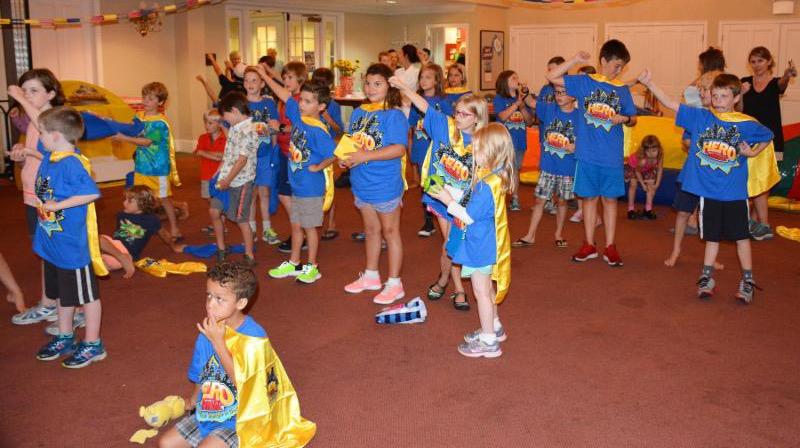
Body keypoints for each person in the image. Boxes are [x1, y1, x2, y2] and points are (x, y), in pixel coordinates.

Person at [640, 71, 773, 304]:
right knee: (711, 237)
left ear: (735, 98)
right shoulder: (700, 117)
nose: (719, 101)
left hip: (734, 193)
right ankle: (706, 276)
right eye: (715, 95)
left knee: (741, 237)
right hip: (708, 193)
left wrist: (752, 152)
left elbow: (767, 135)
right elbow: (670, 103)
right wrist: (650, 83)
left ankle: (748, 280)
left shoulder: (745, 123)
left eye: (724, 96)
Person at [391, 75, 488, 311]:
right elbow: (424, 106)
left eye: (465, 114)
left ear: (477, 118)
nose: (458, 117)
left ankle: (443, 279)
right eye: (458, 112)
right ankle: (459, 289)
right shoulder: (445, 126)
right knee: (450, 243)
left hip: (465, 202)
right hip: (441, 197)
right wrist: (404, 87)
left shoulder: (483, 142)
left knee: (455, 244)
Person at [547, 40, 639, 266]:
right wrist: (575, 60)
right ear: (603, 61)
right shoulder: (585, 82)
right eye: (616, 65)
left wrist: (625, 118)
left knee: (609, 200)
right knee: (588, 199)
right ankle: (589, 244)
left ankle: (610, 246)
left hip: (611, 156)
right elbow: (552, 76)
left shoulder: (622, 90)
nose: (619, 70)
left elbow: (633, 118)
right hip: (587, 154)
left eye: (622, 67)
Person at [157, 262, 265, 448]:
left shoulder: (254, 336)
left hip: (242, 417)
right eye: (209, 295)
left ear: (241, 303)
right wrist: (193, 400)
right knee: (166, 444)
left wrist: (218, 342)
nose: (210, 304)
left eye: (219, 299)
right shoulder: (207, 332)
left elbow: (246, 385)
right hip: (211, 410)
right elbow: (202, 373)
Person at [31, 106, 107, 368]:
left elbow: (92, 192)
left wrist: (59, 205)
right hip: (54, 243)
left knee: (87, 296)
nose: (39, 137)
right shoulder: (51, 156)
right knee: (62, 295)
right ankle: (65, 336)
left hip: (73, 248)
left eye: (41, 132)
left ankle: (93, 343)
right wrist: (26, 152)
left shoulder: (71, 163)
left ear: (55, 136)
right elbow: (40, 146)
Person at [428, 122, 513, 358]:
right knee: (486, 288)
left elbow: (467, 215)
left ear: (491, 151)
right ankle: (494, 326)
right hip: (485, 241)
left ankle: (489, 341)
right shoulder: (492, 176)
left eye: (477, 149)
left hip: (479, 244)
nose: (472, 153)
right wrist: (450, 192)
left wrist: (446, 200)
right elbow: (471, 199)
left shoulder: (486, 184)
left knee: (481, 292)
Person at [260, 69, 336, 284]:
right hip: (297, 186)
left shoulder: (318, 130)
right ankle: (294, 263)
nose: (301, 104)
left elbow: (335, 153)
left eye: (308, 101)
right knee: (296, 226)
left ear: (321, 107)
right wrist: (265, 76)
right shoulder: (299, 119)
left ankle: (312, 266)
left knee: (310, 229)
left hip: (311, 188)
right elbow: (285, 95)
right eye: (301, 99)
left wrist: (318, 167)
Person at [341, 63, 408, 305]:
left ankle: (395, 283)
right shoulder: (359, 112)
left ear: (389, 86)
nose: (371, 88)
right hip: (362, 182)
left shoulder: (394, 115)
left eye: (377, 83)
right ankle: (371, 276)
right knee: (370, 230)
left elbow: (399, 149)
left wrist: (365, 156)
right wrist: (345, 158)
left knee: (390, 232)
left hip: (384, 184)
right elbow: (351, 141)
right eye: (368, 83)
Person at [6, 68, 63, 326]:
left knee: (56, 253)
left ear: (50, 94)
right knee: (44, 252)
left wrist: (21, 99)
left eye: (33, 91)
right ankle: (49, 303)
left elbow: (57, 153)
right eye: (25, 91)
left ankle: (68, 307)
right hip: (32, 196)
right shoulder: (32, 120)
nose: (27, 95)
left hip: (48, 199)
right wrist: (22, 152)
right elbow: (33, 158)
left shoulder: (55, 118)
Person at [113, 82, 182, 242]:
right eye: (144, 97)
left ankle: (175, 228)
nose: (145, 101)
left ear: (160, 102)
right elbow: (130, 129)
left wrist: (123, 138)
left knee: (163, 199)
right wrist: (111, 126)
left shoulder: (160, 123)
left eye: (150, 98)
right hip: (142, 166)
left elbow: (146, 142)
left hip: (158, 168)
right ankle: (136, 230)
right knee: (140, 199)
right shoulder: (139, 116)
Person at [741, 47, 797, 241]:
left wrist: (787, 75)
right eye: (753, 61)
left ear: (769, 62)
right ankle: (755, 221)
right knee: (753, 180)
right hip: (750, 139)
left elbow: (781, 84)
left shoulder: (775, 83)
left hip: (770, 140)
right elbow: (739, 109)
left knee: (763, 181)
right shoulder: (745, 82)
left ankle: (760, 223)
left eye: (761, 61)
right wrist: (741, 94)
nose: (757, 65)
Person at [513, 83, 578, 248]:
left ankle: (558, 234)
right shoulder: (549, 109)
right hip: (548, 166)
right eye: (557, 92)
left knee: (562, 202)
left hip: (567, 168)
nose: (559, 96)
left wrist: (576, 146)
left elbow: (586, 140)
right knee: (540, 201)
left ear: (573, 96)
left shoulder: (579, 117)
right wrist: (525, 91)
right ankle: (530, 235)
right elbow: (531, 102)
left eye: (563, 92)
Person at [211, 92, 259, 266]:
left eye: (225, 116)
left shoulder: (250, 130)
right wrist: (218, 172)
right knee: (214, 211)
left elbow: (241, 160)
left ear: (234, 111)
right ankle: (221, 248)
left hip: (240, 183)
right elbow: (228, 155)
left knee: (241, 219)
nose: (225, 120)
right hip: (226, 179)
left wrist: (228, 180)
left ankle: (249, 255)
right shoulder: (234, 128)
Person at [407, 63, 453, 237]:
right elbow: (412, 128)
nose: (423, 80)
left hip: (438, 151)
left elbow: (450, 126)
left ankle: (447, 216)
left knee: (440, 183)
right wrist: (411, 149)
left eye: (428, 77)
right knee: (425, 185)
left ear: (437, 80)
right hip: (421, 149)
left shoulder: (443, 102)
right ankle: (428, 221)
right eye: (421, 77)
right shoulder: (415, 101)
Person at [98, 185, 177, 280]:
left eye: (129, 201)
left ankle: (120, 259)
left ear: (142, 204)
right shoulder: (121, 215)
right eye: (125, 199)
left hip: (128, 253)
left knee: (104, 258)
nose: (124, 203)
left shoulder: (151, 219)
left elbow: (164, 234)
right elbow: (119, 236)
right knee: (96, 239)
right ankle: (104, 258)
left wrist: (174, 246)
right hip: (115, 246)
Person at [243, 66, 281, 245]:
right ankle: (251, 229)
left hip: (265, 155)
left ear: (262, 83)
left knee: (265, 192)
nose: (250, 84)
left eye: (254, 80)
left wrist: (274, 151)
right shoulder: (241, 104)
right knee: (250, 194)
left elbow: (274, 128)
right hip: (246, 157)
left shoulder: (269, 103)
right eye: (246, 80)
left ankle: (267, 229)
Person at [493, 70, 535, 211]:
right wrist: (516, 104)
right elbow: (503, 116)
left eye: (517, 77)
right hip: (504, 143)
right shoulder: (499, 99)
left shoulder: (523, 99)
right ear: (504, 82)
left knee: (515, 170)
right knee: (501, 170)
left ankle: (515, 198)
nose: (517, 80)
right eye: (513, 78)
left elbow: (529, 121)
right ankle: (498, 198)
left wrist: (522, 106)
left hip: (519, 142)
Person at [312, 67, 345, 241]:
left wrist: (328, 118)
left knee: (328, 187)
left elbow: (340, 130)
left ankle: (331, 223)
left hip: (327, 150)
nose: (320, 86)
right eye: (316, 82)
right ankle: (313, 223)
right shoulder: (309, 101)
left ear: (330, 85)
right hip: (312, 149)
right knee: (312, 187)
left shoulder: (333, 105)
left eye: (323, 83)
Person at [625, 135, 664, 220]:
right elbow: (637, 171)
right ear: (644, 151)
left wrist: (657, 184)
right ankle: (630, 209)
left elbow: (660, 169)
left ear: (659, 149)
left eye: (654, 151)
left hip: (647, 169)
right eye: (648, 151)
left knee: (651, 187)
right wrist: (643, 184)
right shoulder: (643, 160)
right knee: (633, 184)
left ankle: (648, 210)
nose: (651, 154)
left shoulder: (659, 156)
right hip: (634, 167)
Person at [194, 109, 226, 204]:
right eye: (205, 122)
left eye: (210, 123)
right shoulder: (202, 137)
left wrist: (205, 152)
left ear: (219, 124)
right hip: (206, 176)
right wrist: (216, 156)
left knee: (219, 200)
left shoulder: (225, 138)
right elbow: (198, 152)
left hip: (220, 176)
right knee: (209, 198)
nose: (206, 126)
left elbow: (224, 156)